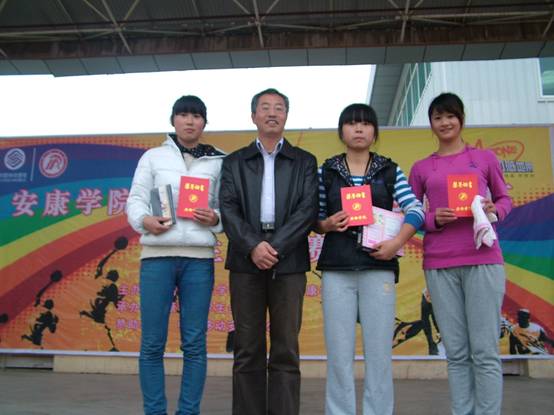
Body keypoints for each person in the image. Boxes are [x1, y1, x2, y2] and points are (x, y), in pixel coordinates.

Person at [316, 103, 425, 415]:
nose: (359, 129)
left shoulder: (390, 170)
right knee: (339, 353)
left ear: (375, 132)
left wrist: (396, 243)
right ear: (342, 132)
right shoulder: (326, 171)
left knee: (379, 352)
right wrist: (326, 224)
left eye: (365, 123)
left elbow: (416, 210)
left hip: (379, 267)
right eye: (352, 123)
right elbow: (315, 217)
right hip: (337, 268)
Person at [409, 92, 512, 415]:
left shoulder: (484, 159)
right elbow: (411, 214)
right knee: (455, 351)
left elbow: (505, 199)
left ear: (461, 119)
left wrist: (494, 210)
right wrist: (432, 219)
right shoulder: (422, 167)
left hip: (483, 258)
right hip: (439, 263)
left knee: (485, 351)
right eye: (438, 117)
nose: (445, 123)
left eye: (450, 116)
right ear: (431, 124)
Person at [219, 88, 318, 415]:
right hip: (245, 259)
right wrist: (253, 246)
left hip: (289, 260)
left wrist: (274, 247)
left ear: (286, 115)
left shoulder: (304, 161)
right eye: (265, 107)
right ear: (254, 116)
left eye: (278, 108)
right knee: (247, 347)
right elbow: (228, 209)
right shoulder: (234, 162)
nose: (272, 113)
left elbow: (307, 210)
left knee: (285, 347)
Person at [126, 95, 225, 415]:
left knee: (194, 343)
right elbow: (136, 199)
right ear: (173, 120)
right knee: (152, 343)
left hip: (199, 260)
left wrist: (216, 219)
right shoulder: (153, 157)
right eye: (183, 115)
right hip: (157, 257)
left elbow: (228, 208)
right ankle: (154, 411)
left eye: (196, 116)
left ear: (205, 123)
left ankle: (188, 411)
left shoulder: (218, 161)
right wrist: (144, 220)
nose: (190, 121)